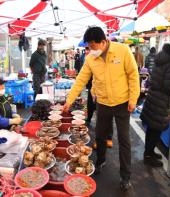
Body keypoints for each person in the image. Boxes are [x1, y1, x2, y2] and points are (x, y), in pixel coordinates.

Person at [63, 26, 140, 191]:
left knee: (124, 140)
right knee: (100, 135)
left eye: (93, 46)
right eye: (89, 47)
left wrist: (133, 99)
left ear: (103, 42)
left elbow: (133, 75)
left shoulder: (123, 50)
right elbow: (81, 80)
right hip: (103, 103)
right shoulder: (91, 59)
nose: (91, 50)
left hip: (122, 103)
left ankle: (125, 176)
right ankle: (101, 161)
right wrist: (69, 100)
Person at [140, 37, 170, 167]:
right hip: (161, 100)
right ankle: (148, 155)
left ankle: (149, 151)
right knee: (156, 129)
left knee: (152, 128)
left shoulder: (161, 58)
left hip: (154, 96)